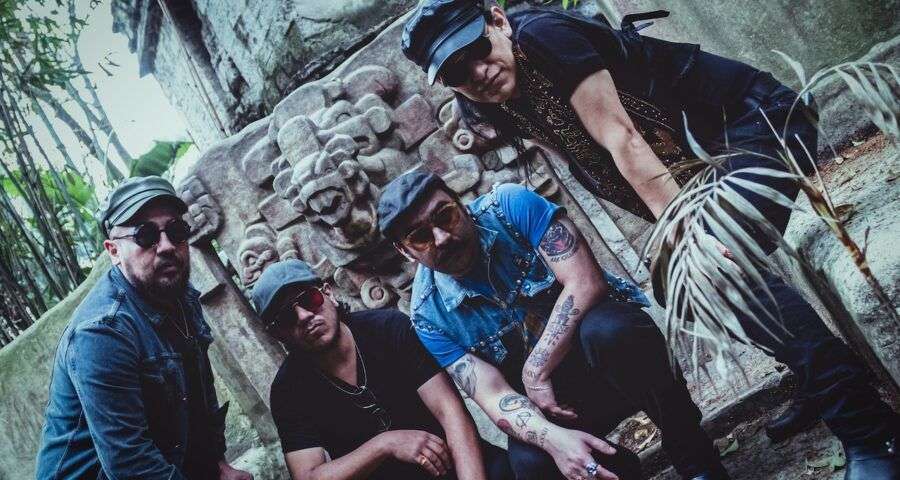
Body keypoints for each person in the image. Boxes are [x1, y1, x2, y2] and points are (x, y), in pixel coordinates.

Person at [399, 2, 900, 479]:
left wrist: (687, 235)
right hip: (689, 171)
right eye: (458, 72)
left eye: (478, 50)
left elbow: (621, 138)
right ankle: (817, 380)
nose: (478, 73)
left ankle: (868, 428)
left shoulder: (545, 37)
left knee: (719, 275)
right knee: (693, 280)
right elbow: (583, 156)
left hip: (753, 124)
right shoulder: (487, 105)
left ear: (498, 20)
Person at [378, 171, 727, 480]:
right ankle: (618, 470)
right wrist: (554, 440)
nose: (441, 237)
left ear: (461, 204)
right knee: (530, 464)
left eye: (445, 215)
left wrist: (536, 369)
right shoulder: (428, 316)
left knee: (613, 332)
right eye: (420, 236)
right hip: (557, 405)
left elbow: (585, 281)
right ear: (406, 251)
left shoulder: (510, 206)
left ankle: (697, 461)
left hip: (610, 359)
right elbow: (493, 395)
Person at [35, 176, 252, 480]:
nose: (166, 246)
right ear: (113, 251)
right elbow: (130, 464)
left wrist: (218, 466)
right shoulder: (102, 332)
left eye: (176, 231)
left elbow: (199, 399)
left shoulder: (181, 297)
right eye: (145, 235)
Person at [250, 259, 513, 480]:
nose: (304, 316)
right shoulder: (289, 390)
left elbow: (450, 412)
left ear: (328, 293)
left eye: (310, 299)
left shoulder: (388, 328)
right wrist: (385, 444)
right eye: (287, 317)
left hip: (458, 466)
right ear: (279, 334)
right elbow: (308, 476)